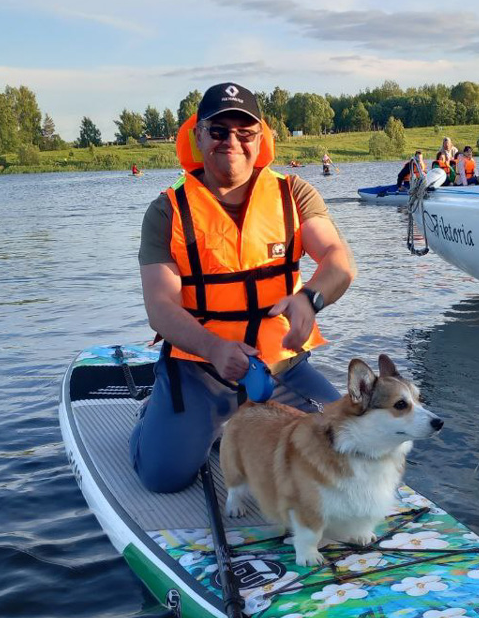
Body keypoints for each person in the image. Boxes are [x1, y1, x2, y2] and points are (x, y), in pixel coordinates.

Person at [132, 82, 356, 494]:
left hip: (282, 368)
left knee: (344, 446)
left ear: (261, 138)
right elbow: (160, 305)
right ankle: (153, 415)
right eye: (218, 131)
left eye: (244, 132)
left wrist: (310, 298)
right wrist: (214, 348)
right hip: (199, 370)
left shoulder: (295, 194)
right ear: (198, 135)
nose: (231, 141)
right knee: (163, 478)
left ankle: (240, 425)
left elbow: (338, 261)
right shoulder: (167, 211)